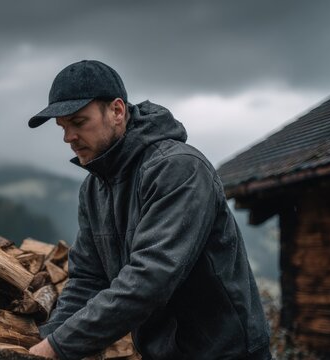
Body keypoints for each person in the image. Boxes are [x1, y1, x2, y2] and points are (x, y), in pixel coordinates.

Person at [26, 60, 271, 360]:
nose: (68, 138)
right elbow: (88, 279)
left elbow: (151, 278)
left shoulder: (179, 169)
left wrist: (57, 348)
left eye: (78, 122)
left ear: (117, 111)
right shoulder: (94, 189)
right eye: (63, 127)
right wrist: (51, 338)